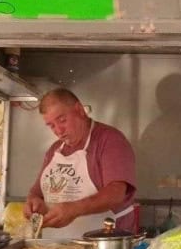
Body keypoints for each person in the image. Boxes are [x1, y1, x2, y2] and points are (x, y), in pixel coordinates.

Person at [23, 88, 137, 238]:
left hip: (103, 246)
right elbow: (36, 192)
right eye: (51, 125)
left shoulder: (110, 140)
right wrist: (33, 202)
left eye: (62, 120)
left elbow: (115, 193)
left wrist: (74, 209)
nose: (58, 130)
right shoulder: (55, 149)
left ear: (79, 110)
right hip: (56, 246)